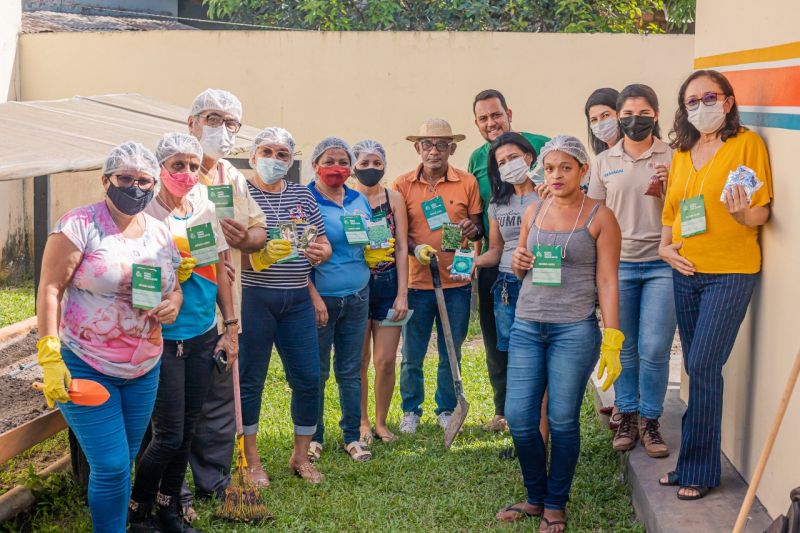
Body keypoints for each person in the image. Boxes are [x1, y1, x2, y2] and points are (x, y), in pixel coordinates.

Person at [35, 142, 180, 533]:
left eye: (144, 181)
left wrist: (173, 304)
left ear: (154, 184)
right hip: (87, 362)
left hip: (143, 367)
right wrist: (50, 355)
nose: (135, 188)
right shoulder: (79, 225)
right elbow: (50, 288)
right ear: (106, 180)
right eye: (125, 179)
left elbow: (175, 285)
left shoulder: (160, 232)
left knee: (124, 458)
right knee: (113, 464)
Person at [497, 136, 623, 532]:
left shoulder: (600, 216)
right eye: (550, 168)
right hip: (527, 325)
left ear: (582, 171)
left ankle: (555, 503)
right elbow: (521, 269)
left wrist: (613, 338)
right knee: (519, 417)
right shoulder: (534, 210)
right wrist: (517, 263)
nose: (556, 175)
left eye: (565, 167)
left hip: (574, 329)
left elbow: (607, 280)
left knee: (563, 418)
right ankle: (535, 496)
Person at [658, 70, 773, 500]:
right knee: (694, 368)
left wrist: (743, 214)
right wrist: (664, 248)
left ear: (727, 101)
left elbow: (760, 213)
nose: (700, 105)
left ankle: (701, 471)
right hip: (685, 271)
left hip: (731, 272)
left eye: (709, 96)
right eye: (691, 100)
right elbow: (671, 211)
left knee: (704, 365)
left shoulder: (747, 145)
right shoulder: (683, 152)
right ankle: (692, 462)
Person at [130, 132, 238, 533]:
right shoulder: (145, 216)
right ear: (160, 168)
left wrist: (230, 327)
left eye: (193, 165)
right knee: (168, 435)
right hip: (162, 336)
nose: (187, 173)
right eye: (178, 165)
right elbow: (138, 288)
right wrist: (170, 277)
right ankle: (139, 511)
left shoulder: (205, 210)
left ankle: (169, 508)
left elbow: (220, 274)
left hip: (202, 332)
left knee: (189, 428)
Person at [183, 88, 266, 507]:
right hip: (182, 308)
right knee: (177, 402)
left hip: (225, 307)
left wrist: (244, 238)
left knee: (218, 397)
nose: (222, 129)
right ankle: (170, 486)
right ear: (192, 123)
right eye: (213, 119)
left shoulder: (232, 178)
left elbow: (258, 231)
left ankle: (213, 482)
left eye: (231, 123)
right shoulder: (174, 171)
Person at [238, 127, 332, 484]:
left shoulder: (302, 197)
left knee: (309, 378)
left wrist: (322, 252)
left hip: (296, 300)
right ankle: (252, 461)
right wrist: (257, 257)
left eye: (282, 155)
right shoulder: (239, 193)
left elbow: (323, 243)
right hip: (254, 298)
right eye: (267, 152)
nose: (274, 160)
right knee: (251, 381)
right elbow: (224, 254)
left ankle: (300, 457)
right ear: (252, 156)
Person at [588, 84, 675, 458]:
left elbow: (690, 209)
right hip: (618, 267)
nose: (633, 121)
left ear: (656, 114)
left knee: (655, 348)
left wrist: (671, 185)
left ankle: (651, 421)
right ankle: (627, 413)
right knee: (623, 347)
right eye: (626, 115)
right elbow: (593, 216)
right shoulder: (604, 161)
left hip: (662, 264)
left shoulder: (674, 155)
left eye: (642, 114)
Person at [394, 118, 483, 433]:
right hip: (417, 282)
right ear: (418, 147)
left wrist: (473, 230)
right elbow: (398, 233)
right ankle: (410, 410)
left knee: (451, 350)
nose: (434, 151)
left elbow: (476, 228)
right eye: (428, 144)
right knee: (412, 354)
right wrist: (416, 249)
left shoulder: (467, 182)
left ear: (452, 148)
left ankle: (446, 408)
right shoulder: (401, 184)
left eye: (442, 145)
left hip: (455, 284)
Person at [307, 137, 393, 462]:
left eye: (344, 162)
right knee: (317, 371)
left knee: (350, 368)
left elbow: (370, 236)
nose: (337, 168)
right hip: (321, 299)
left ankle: (352, 436)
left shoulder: (358, 199)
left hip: (358, 295)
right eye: (330, 161)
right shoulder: (307, 198)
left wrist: (380, 244)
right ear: (316, 164)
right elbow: (299, 255)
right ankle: (313, 437)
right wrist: (312, 296)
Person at [469, 90, 549, 431]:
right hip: (501, 277)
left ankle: (541, 417)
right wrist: (471, 262)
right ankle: (506, 412)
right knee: (501, 346)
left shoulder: (544, 152)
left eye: (496, 115)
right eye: (484, 118)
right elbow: (490, 238)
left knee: (537, 346)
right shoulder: (477, 161)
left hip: (544, 274)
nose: (491, 122)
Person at [351, 139, 409, 444]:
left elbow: (401, 247)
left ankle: (382, 422)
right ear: (354, 168)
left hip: (388, 285)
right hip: (358, 284)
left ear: (384, 166)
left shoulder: (394, 199)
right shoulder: (348, 200)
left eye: (376, 163)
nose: (371, 169)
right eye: (364, 164)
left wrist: (403, 293)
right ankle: (361, 422)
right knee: (359, 360)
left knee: (386, 360)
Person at [585, 88, 622, 156]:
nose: (599, 124)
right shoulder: (600, 161)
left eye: (605, 115)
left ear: (620, 114)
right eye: (594, 120)